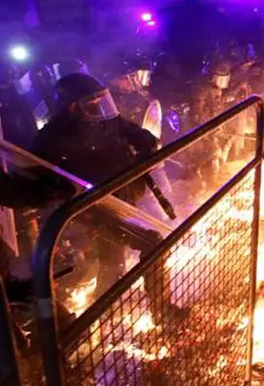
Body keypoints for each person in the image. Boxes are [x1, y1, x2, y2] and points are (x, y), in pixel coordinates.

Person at [30, 73, 182, 321]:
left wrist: (144, 139)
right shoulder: (51, 138)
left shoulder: (104, 119)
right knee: (152, 242)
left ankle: (101, 311)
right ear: (73, 106)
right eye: (93, 101)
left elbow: (129, 129)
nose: (100, 105)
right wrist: (58, 188)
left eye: (102, 99)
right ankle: (161, 311)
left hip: (123, 192)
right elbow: (38, 178)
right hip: (94, 206)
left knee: (112, 259)